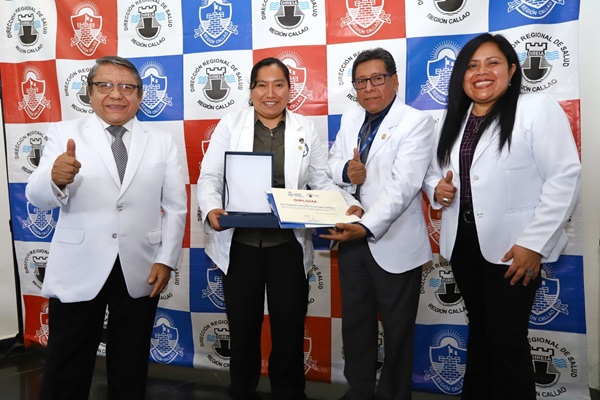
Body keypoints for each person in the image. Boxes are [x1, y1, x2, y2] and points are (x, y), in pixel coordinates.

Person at [422, 33, 581, 399]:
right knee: (479, 331)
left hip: (514, 250)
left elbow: (564, 177)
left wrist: (533, 244)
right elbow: (432, 172)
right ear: (461, 76)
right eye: (472, 66)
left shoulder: (536, 108)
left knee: (506, 339)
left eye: (492, 63)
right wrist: (436, 188)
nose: (482, 72)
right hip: (463, 245)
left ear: (511, 70)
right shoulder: (452, 119)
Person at [197, 57, 362, 400]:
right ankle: (242, 392)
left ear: (289, 90)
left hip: (287, 246)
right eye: (262, 85)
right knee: (243, 329)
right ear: (251, 90)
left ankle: (289, 393)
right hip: (240, 244)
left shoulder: (305, 129)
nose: (269, 93)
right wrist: (211, 206)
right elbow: (210, 176)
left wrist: (348, 205)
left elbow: (320, 181)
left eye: (278, 85)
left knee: (289, 330)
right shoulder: (230, 124)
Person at [26, 56, 187, 400]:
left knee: (130, 363)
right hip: (79, 265)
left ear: (140, 96)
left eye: (127, 87)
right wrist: (54, 178)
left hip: (141, 266)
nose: (116, 94)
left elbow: (176, 207)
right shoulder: (64, 133)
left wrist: (166, 259)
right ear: (90, 92)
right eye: (106, 85)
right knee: (67, 362)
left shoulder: (161, 141)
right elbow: (36, 196)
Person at [321, 48, 435, 400]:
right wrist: (347, 174)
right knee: (356, 325)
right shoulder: (351, 118)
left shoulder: (416, 122)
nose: (369, 88)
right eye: (361, 81)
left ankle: (393, 395)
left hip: (394, 241)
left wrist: (366, 225)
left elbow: (404, 186)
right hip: (351, 236)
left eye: (377, 79)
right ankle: (359, 391)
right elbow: (332, 165)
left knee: (398, 332)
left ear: (394, 80)